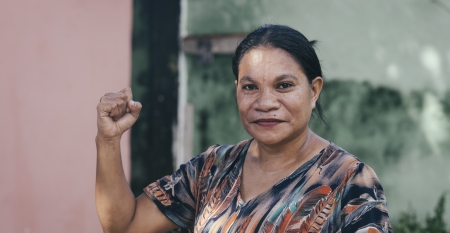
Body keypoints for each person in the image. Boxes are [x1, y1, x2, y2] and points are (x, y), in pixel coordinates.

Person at [95, 24, 392, 233]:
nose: (265, 103)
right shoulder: (212, 169)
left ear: (314, 91)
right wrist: (108, 141)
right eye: (250, 87)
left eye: (284, 86)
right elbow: (124, 225)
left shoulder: (350, 181)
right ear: (236, 90)